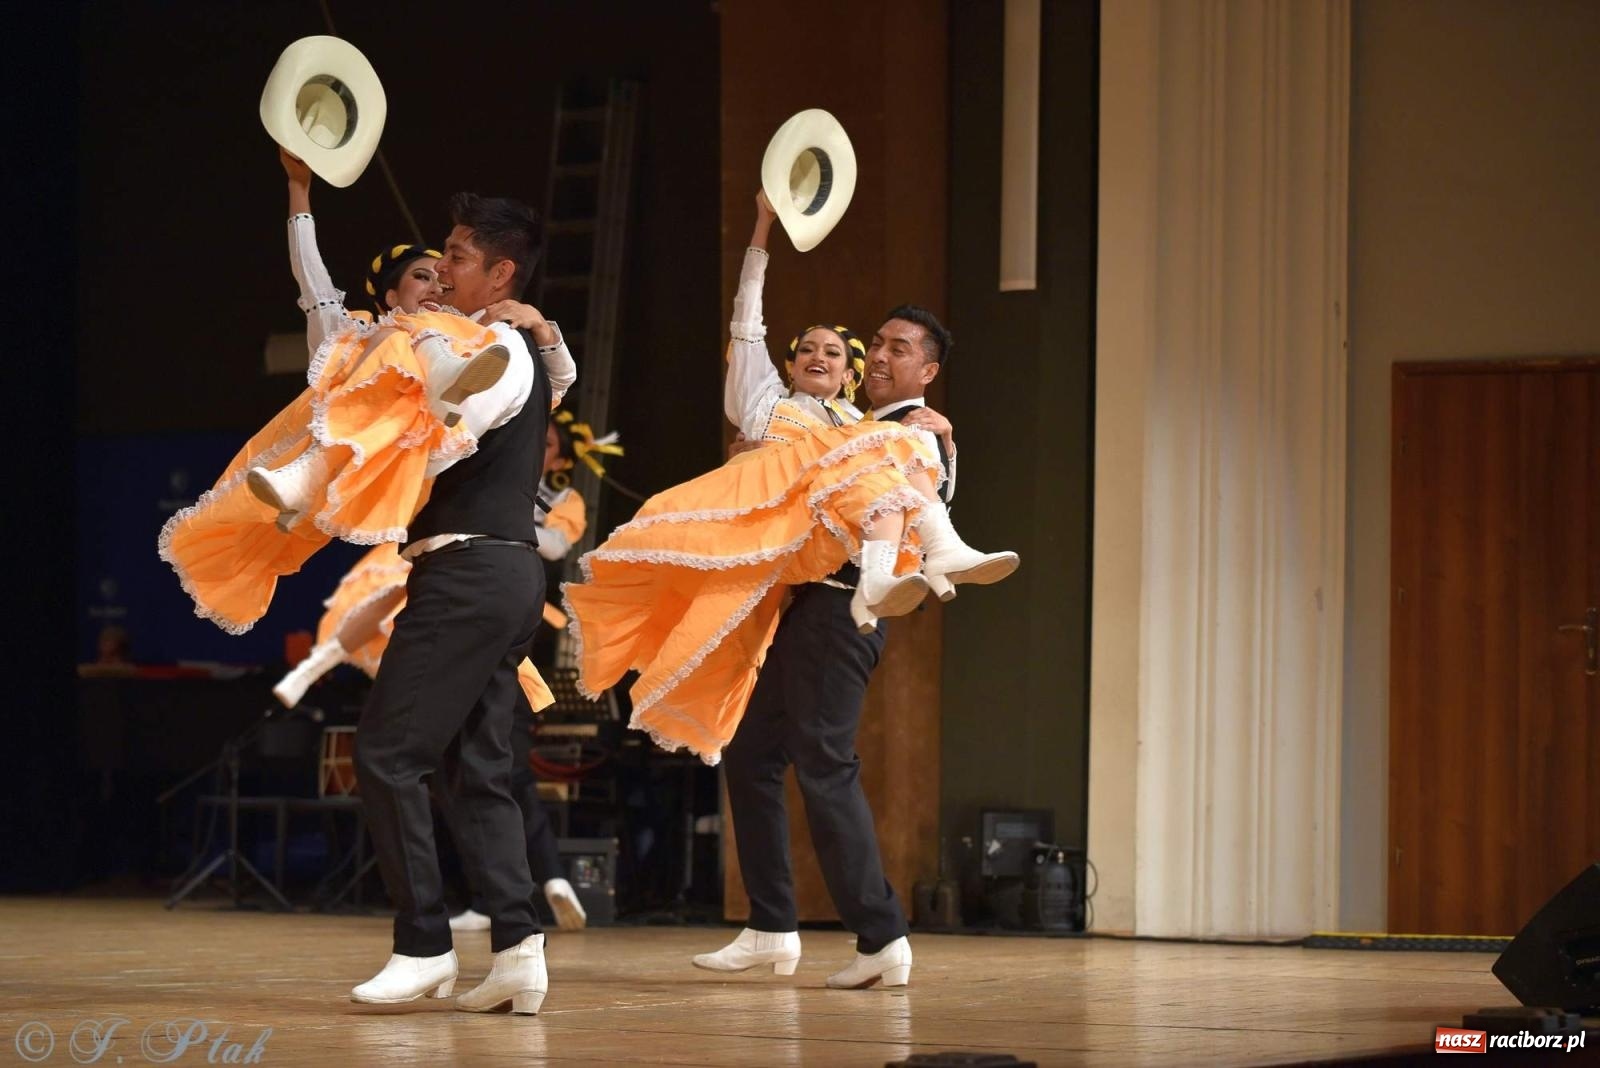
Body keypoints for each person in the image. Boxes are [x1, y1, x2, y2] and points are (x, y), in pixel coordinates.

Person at [562, 192, 1014, 763]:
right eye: (806, 348)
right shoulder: (766, 404)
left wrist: (946, 440)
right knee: (715, 645)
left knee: (894, 446)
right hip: (758, 529)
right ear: (789, 362)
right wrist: (762, 226)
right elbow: (746, 318)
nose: (817, 356)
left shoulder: (860, 424)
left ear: (851, 375)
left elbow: (908, 463)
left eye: (832, 351)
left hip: (807, 552)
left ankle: (911, 564)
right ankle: (927, 559)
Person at [159, 150, 573, 634]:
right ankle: (310, 474)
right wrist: (299, 191)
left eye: (445, 268)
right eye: (422, 274)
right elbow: (311, 278)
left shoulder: (480, 338)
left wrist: (545, 333)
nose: (438, 280)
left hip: (429, 482)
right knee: (396, 338)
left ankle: (324, 470)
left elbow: (549, 387)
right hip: (367, 473)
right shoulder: (358, 334)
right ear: (389, 296)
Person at [347, 191, 567, 1016]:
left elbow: (438, 438)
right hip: (499, 574)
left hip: (471, 573)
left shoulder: (498, 351)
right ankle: (517, 949)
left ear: (501, 273)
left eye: (458, 258)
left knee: (388, 753)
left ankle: (424, 943)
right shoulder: (515, 346)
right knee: (477, 769)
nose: (441, 270)